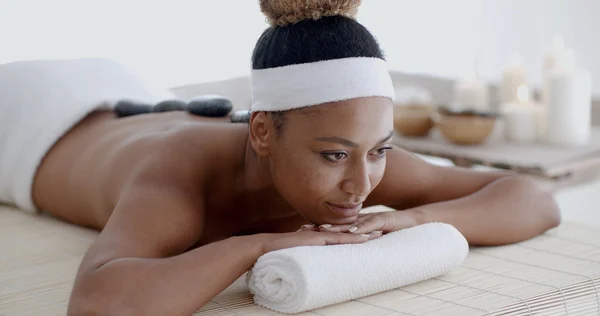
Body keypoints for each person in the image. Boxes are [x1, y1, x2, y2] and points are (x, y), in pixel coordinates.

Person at [0, 1, 560, 315]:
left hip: (125, 90)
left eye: (380, 150)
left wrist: (414, 217)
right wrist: (263, 245)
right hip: (26, 116)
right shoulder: (177, 179)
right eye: (336, 155)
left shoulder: (353, 153)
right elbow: (97, 304)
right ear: (263, 133)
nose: (361, 184)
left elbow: (532, 199)